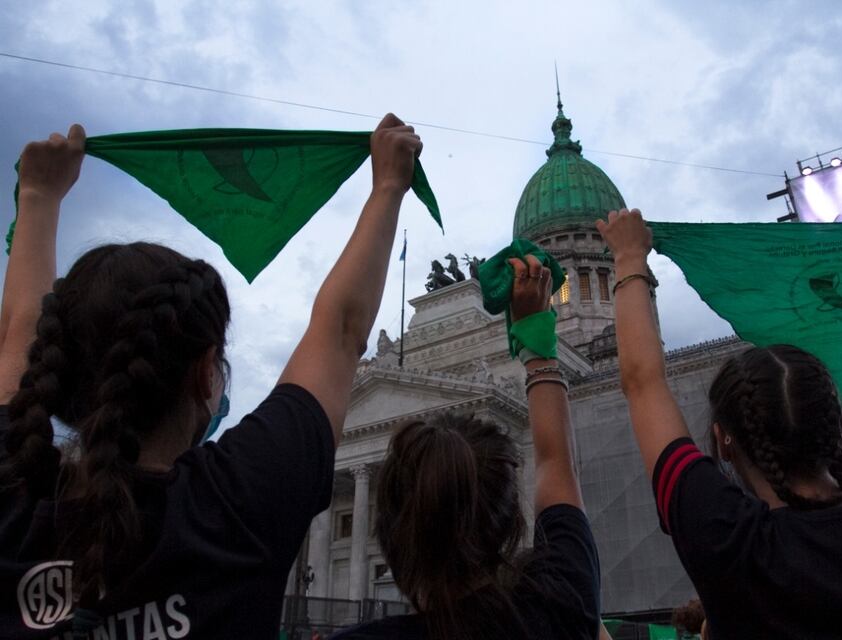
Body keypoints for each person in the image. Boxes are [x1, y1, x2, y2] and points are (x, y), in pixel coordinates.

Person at [0, 114, 422, 638]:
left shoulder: (11, 493)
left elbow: (19, 331)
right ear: (205, 375)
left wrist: (38, 198)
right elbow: (340, 329)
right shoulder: (239, 500)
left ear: (56, 374)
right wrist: (389, 185)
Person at [598, 207, 842, 639]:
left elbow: (641, 383)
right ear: (835, 419)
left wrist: (628, 258)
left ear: (723, 441)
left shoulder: (731, 543)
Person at [330, 254, 601, 640]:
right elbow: (557, 466)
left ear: (393, 537)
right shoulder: (559, 613)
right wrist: (536, 340)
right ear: (510, 522)